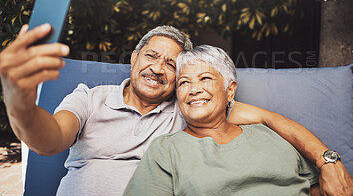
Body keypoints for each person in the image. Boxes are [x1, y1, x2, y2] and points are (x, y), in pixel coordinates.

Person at [0, 23, 353, 195]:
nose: (158, 68)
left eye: (173, 66)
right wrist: (19, 103)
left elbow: (269, 119)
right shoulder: (90, 97)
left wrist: (329, 162)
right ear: (134, 59)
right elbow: (48, 140)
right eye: (151, 56)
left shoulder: (187, 108)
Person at [124, 44, 321, 195]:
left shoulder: (272, 135)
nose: (194, 90)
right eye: (184, 83)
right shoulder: (166, 150)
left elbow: (321, 188)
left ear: (230, 90)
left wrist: (331, 164)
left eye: (205, 79)